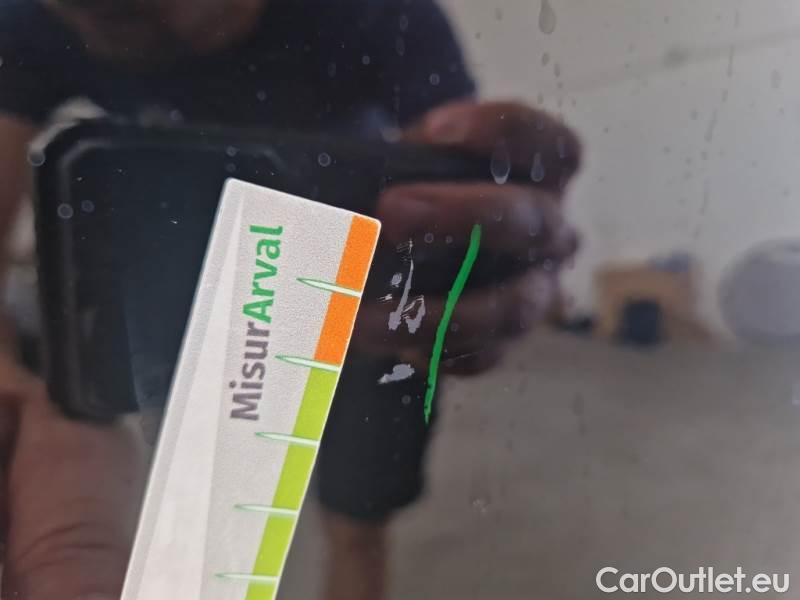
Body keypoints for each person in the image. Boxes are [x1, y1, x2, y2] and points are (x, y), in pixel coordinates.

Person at [0, 0, 582, 598]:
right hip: (204, 298)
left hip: (367, 290)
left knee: (356, 525)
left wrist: (488, 254)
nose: (100, 15)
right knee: (210, 528)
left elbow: (462, 183)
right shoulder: (39, 17)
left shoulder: (381, 12)